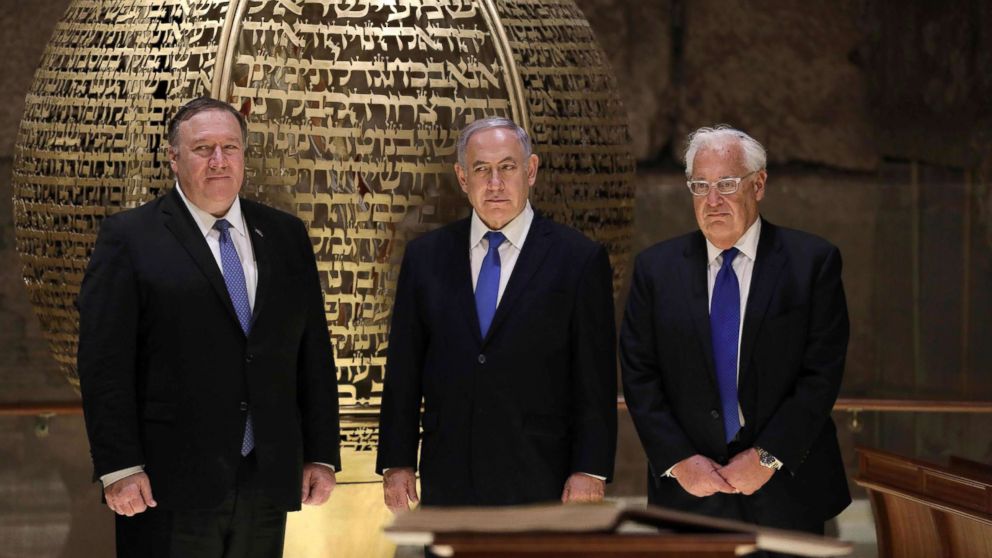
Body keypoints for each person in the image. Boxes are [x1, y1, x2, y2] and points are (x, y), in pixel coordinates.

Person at [77, 97, 341, 558]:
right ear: (174, 158)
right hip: (165, 482)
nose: (219, 161)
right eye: (203, 149)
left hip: (266, 478)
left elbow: (312, 353)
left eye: (230, 147)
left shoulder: (285, 235)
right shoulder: (129, 238)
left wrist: (320, 453)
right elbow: (104, 364)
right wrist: (119, 467)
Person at [376, 117, 617, 512]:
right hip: (449, 478)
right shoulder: (426, 258)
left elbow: (595, 378)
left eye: (507, 167)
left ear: (531, 170)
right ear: (462, 177)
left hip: (541, 478)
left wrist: (590, 469)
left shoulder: (578, 260)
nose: (495, 183)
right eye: (481, 169)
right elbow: (404, 369)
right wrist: (396, 461)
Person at [620, 125, 851, 538]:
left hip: (787, 493)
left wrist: (767, 457)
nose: (712, 200)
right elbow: (640, 374)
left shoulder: (811, 263)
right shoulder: (656, 270)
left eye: (726, 183)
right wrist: (679, 461)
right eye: (700, 185)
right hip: (689, 495)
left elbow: (821, 375)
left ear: (758, 184)